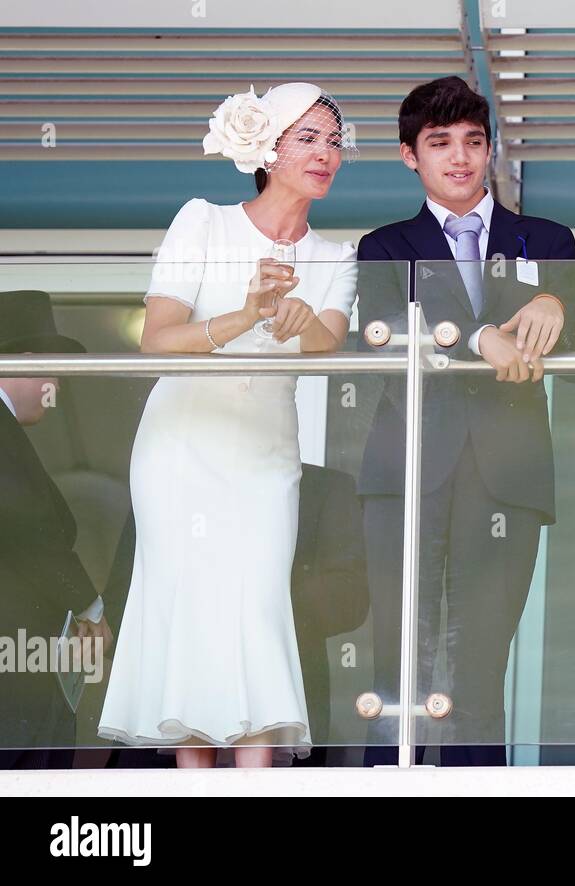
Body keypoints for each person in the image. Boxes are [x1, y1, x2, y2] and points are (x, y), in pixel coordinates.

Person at [97, 83, 359, 768]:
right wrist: (245, 316)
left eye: (335, 141)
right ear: (267, 149)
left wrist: (298, 322)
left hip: (265, 457)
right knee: (189, 613)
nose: (326, 153)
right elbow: (157, 340)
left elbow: (328, 342)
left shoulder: (337, 254)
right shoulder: (204, 221)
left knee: (256, 611)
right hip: (182, 446)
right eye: (308, 138)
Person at [355, 77, 575, 767]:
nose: (459, 157)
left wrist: (557, 303)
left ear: (489, 149)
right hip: (406, 477)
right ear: (409, 156)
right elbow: (380, 328)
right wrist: (470, 336)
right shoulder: (386, 245)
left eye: (472, 142)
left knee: (483, 670)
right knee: (399, 667)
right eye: (439, 144)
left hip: (506, 477)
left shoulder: (545, 238)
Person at [102, 463, 369, 767]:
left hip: (282, 724)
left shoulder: (326, 488)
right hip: (168, 724)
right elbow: (121, 604)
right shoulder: (166, 487)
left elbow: (351, 599)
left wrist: (254, 603)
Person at [0, 290, 112, 769]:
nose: (58, 383)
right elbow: (25, 521)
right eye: (52, 366)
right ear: (24, 360)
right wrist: (88, 605)